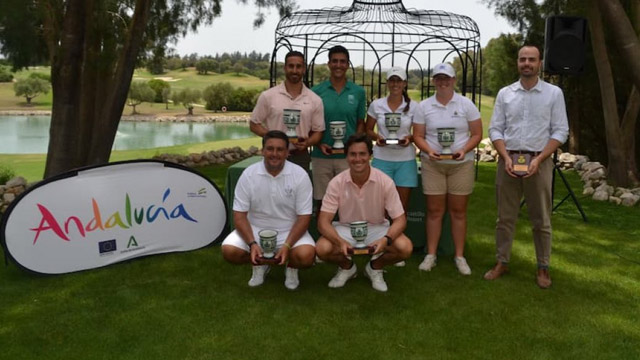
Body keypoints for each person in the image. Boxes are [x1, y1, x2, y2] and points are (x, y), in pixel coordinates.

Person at [485, 45, 569, 289]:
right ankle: (502, 261)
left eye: (531, 59)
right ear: (517, 63)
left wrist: (540, 159)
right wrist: (505, 157)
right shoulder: (505, 93)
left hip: (539, 163)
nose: (526, 63)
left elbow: (560, 130)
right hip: (508, 161)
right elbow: (495, 129)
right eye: (522, 59)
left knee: (541, 219)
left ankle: (543, 267)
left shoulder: (553, 94)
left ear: (539, 63)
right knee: (504, 217)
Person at [316, 133, 413, 292]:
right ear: (346, 156)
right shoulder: (336, 182)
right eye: (353, 154)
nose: (357, 159)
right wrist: (340, 242)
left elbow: (400, 219)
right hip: (346, 229)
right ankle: (348, 268)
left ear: (370, 155)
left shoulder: (385, 181)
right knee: (322, 249)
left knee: (405, 247)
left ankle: (375, 267)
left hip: (376, 228)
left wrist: (386, 240)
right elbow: (322, 222)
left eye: (362, 154)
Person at [221, 130, 316, 290]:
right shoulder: (249, 174)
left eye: (280, 150)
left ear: (287, 153)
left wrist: (287, 246)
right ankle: (260, 265)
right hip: (255, 231)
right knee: (229, 251)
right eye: (270, 149)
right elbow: (239, 215)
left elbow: (304, 217)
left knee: (306, 256)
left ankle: (291, 267)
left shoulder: (299, 175)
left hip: (289, 231)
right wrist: (252, 244)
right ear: (263, 150)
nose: (274, 154)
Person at [413, 63, 482, 275]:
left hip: (461, 165)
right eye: (438, 78)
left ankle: (459, 256)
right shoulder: (424, 106)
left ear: (453, 80)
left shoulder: (466, 104)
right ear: (433, 80)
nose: (443, 82)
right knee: (434, 211)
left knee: (458, 212)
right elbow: (418, 136)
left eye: (447, 78)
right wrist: (428, 151)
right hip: (433, 164)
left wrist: (463, 150)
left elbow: (477, 134)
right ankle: (431, 255)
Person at [311, 45, 367, 207]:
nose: (338, 65)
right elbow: (310, 125)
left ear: (348, 65)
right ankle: (325, 232)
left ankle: (345, 234)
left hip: (347, 158)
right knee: (323, 203)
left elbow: (360, 123)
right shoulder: (316, 91)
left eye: (342, 62)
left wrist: (354, 150)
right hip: (322, 156)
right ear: (328, 64)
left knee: (348, 202)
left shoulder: (358, 92)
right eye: (334, 61)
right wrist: (318, 143)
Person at [250, 51, 325, 170]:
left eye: (298, 66)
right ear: (285, 68)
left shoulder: (315, 100)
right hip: (273, 156)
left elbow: (318, 132)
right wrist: (274, 137)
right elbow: (254, 124)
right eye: (291, 66)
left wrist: (308, 142)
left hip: (300, 157)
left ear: (304, 69)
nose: (294, 70)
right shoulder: (268, 96)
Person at [365, 66, 418, 212]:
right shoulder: (377, 105)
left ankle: (397, 235)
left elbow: (420, 133)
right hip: (382, 158)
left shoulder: (414, 106)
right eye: (392, 81)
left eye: (399, 81)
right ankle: (381, 235)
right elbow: (367, 129)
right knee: (380, 206)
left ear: (405, 83)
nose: (395, 84)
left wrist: (410, 138)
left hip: (405, 160)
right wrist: (377, 137)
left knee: (401, 208)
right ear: (387, 83)